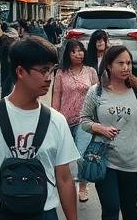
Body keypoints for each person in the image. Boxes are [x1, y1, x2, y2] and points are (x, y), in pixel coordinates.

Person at [0, 36, 80, 220]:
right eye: (43, 70)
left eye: (52, 70)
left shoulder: (57, 121)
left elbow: (64, 177)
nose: (49, 78)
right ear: (21, 71)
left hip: (44, 213)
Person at [79, 45, 137, 220]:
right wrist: (99, 128)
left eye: (129, 63)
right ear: (109, 65)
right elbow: (84, 120)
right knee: (110, 208)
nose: (126, 67)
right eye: (121, 63)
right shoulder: (96, 92)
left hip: (132, 162)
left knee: (129, 208)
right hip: (104, 160)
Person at [53, 39, 99, 202]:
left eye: (81, 50)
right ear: (67, 54)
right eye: (74, 51)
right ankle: (66, 184)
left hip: (85, 120)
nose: (78, 54)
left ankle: (82, 185)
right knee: (64, 156)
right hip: (64, 119)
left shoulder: (91, 71)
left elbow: (97, 95)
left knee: (81, 155)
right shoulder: (61, 73)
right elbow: (57, 95)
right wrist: (54, 117)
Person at [0, 22, 19, 97]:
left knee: (5, 86)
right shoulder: (10, 43)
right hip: (9, 67)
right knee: (8, 87)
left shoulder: (5, 41)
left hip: (6, 67)